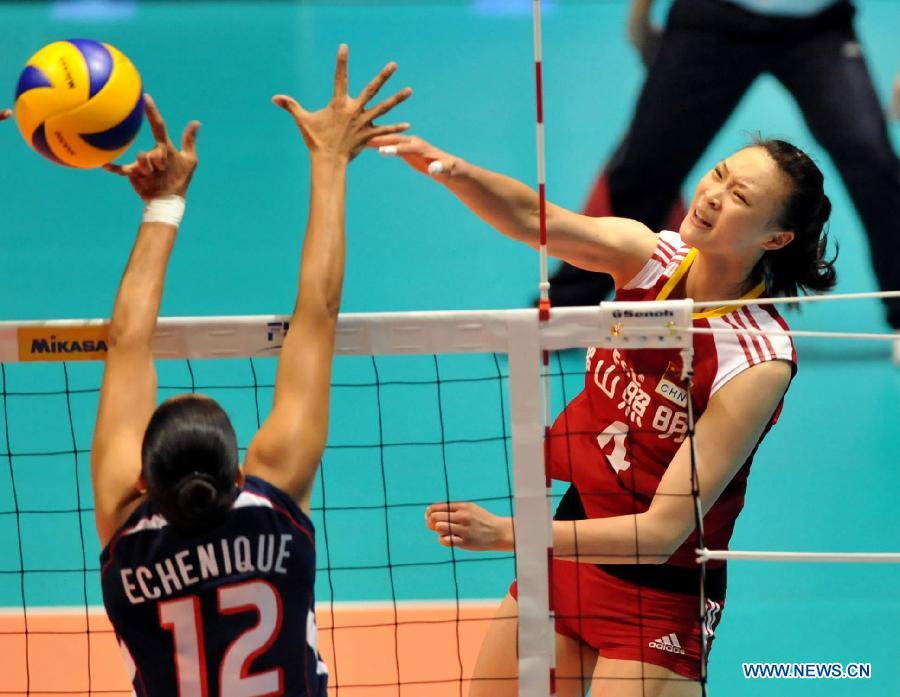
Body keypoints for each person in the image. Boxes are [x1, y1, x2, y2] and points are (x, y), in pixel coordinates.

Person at [376, 133, 834, 695]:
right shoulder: (647, 257)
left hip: (662, 591)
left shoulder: (756, 359)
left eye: (740, 196)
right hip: (575, 538)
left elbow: (664, 532)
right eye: (718, 174)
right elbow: (533, 218)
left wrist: (506, 534)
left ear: (776, 237)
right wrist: (454, 171)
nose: (713, 195)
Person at [92, 46, 411, 696]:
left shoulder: (126, 537)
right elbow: (317, 311)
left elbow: (125, 342)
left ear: (142, 479)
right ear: (239, 471)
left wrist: (164, 205)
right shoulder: (273, 504)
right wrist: (330, 161)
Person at [551, 0, 900, 354]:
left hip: (818, 25)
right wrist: (641, 13)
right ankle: (566, 312)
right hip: (712, 17)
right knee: (645, 167)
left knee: (874, 161)